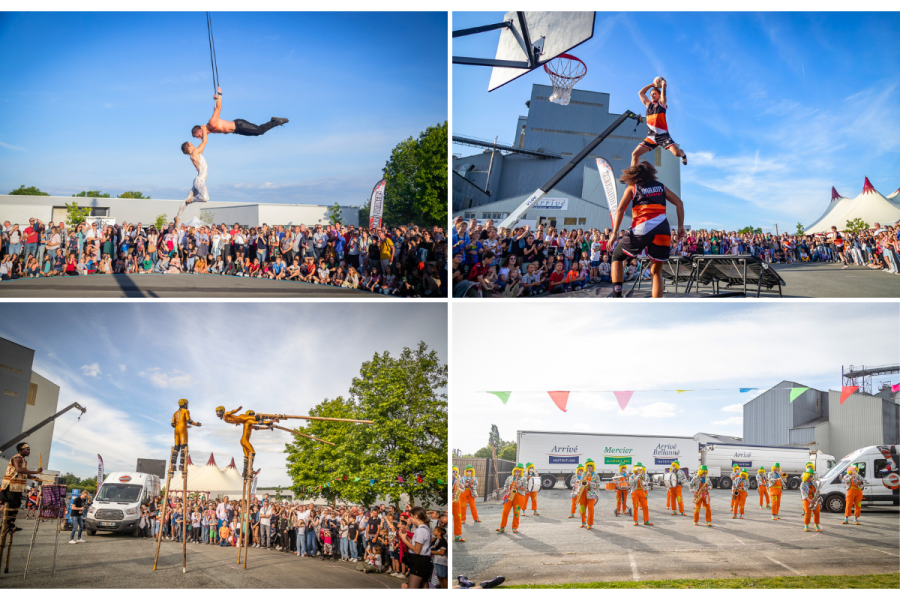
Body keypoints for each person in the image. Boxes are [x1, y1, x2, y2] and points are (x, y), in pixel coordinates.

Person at [609, 161, 685, 298]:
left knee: (617, 256)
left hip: (642, 228)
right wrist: (680, 226)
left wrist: (614, 233)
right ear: (651, 173)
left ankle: (617, 295)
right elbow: (679, 203)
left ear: (635, 174)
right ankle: (656, 305)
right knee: (656, 272)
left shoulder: (633, 187)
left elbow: (620, 209)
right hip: (663, 230)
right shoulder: (661, 187)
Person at [192, 87, 288, 139]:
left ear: (200, 131)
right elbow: (215, 110)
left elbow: (218, 108)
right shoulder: (210, 129)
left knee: (259, 131)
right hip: (237, 130)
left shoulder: (212, 124)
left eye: (199, 136)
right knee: (258, 133)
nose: (200, 138)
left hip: (239, 125)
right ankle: (274, 121)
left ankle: (275, 121)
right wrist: (216, 100)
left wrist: (220, 94)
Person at [631, 78, 687, 167]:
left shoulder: (662, 104)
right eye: (651, 94)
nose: (652, 96)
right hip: (651, 137)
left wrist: (663, 84)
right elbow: (640, 93)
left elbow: (664, 93)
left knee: (676, 153)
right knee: (635, 154)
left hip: (663, 136)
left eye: (654, 94)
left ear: (659, 95)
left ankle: (683, 154)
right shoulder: (648, 105)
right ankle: (633, 176)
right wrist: (651, 85)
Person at [1, 442, 44, 534]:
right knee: (11, 506)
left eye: (29, 449)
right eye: (27, 449)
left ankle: (11, 525)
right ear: (21, 449)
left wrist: (33, 477)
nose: (29, 451)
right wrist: (36, 471)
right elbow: (19, 469)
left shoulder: (24, 460)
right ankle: (5, 526)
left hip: (17, 487)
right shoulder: (17, 458)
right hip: (10, 486)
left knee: (16, 505)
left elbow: (25, 473)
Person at [176, 126, 210, 227]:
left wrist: (205, 133)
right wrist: (204, 129)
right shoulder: (194, 153)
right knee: (205, 198)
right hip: (199, 180)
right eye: (191, 143)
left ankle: (178, 217)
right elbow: (204, 142)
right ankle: (192, 200)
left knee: (186, 199)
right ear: (189, 147)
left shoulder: (196, 153)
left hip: (199, 181)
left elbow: (204, 143)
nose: (193, 143)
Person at [396, 507, 432, 589]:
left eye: (411, 517)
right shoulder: (421, 529)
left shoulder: (421, 530)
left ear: (416, 516)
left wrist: (404, 539)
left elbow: (417, 550)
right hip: (422, 561)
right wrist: (408, 539)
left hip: (419, 561)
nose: (409, 519)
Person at [170, 398, 201, 473]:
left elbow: (173, 424)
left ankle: (173, 465)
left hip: (176, 430)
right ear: (184, 404)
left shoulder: (175, 413)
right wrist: (196, 424)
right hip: (182, 431)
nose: (187, 406)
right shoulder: (186, 411)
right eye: (187, 404)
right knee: (184, 446)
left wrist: (183, 425)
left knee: (176, 446)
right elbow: (189, 420)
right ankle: (181, 464)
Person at [495, 463, 527, 534]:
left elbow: (525, 489)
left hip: (519, 496)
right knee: (505, 511)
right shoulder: (509, 478)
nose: (517, 472)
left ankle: (514, 527)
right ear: (514, 470)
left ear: (521, 471)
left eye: (519, 471)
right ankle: (502, 527)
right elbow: (505, 486)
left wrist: (518, 486)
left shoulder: (523, 479)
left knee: (516, 513)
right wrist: (507, 491)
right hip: (509, 496)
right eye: (516, 470)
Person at [577, 458, 600, 530]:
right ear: (586, 467)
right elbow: (580, 483)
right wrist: (579, 489)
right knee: (582, 508)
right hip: (583, 493)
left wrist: (591, 483)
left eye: (591, 465)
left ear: (593, 466)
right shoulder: (583, 474)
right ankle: (583, 522)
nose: (589, 467)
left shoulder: (596, 475)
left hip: (591, 493)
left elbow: (598, 485)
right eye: (588, 465)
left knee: (590, 508)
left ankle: (589, 523)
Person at [800, 468, 822, 532]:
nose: (812, 477)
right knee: (808, 512)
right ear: (807, 476)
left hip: (814, 498)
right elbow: (803, 493)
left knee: (817, 512)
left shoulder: (814, 482)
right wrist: (809, 500)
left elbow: (817, 490)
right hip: (806, 499)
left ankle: (816, 525)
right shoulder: (803, 484)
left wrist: (818, 493)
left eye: (812, 476)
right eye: (811, 476)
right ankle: (806, 525)